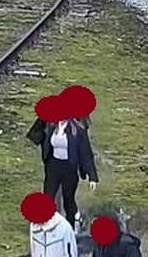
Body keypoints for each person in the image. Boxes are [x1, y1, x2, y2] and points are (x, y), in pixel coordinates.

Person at [27, 94, 97, 228]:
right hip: (53, 166)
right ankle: (46, 226)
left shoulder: (77, 130)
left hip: (69, 168)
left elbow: (86, 153)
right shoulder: (50, 124)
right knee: (48, 197)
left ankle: (71, 225)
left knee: (68, 200)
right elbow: (35, 135)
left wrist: (92, 176)